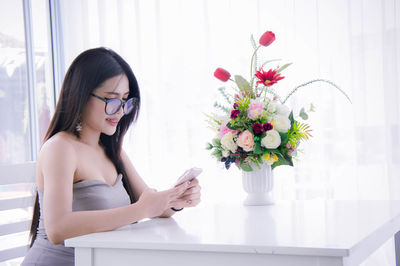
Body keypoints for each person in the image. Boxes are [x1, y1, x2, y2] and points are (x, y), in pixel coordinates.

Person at [21, 47, 201, 266]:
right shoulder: (60, 147)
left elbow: (151, 205)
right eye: (111, 99)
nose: (120, 110)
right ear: (81, 95)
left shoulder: (112, 149)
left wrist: (175, 199)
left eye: (125, 100)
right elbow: (58, 228)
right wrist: (140, 209)